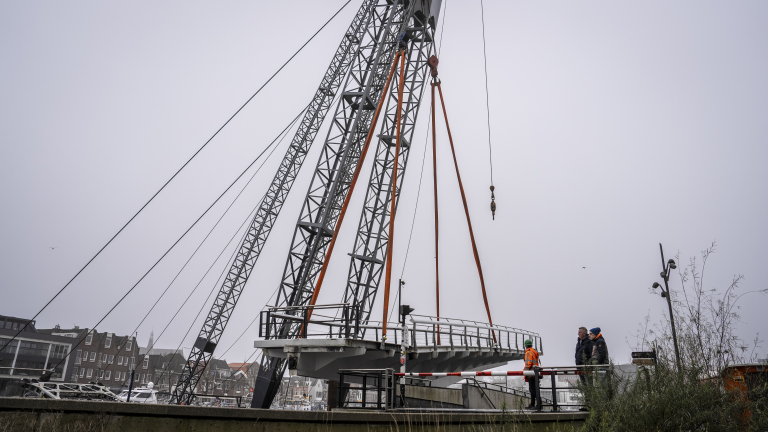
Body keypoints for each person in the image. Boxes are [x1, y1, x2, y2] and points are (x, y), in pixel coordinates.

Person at [523, 339, 541, 410]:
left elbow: (528, 363)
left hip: (531, 373)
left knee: (532, 389)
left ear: (526, 346)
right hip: (535, 372)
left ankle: (538, 404)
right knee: (534, 389)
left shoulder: (528, 352)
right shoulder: (534, 352)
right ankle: (533, 404)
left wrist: (525, 372)